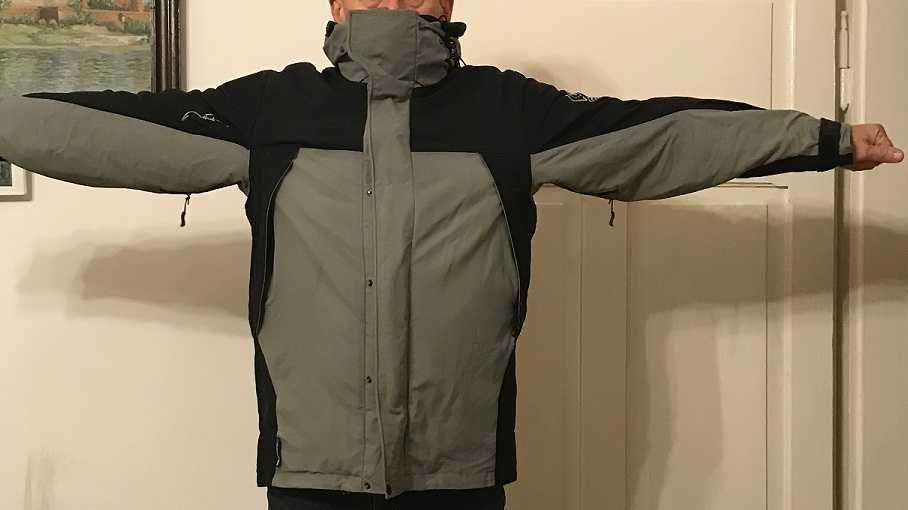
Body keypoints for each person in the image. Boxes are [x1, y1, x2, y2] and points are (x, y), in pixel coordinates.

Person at [1, 1, 903, 509]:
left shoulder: (506, 112)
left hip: (457, 469)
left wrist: (819, 139)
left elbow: (660, 135)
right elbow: (109, 129)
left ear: (450, 2)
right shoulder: (273, 110)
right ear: (334, 4)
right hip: (313, 467)